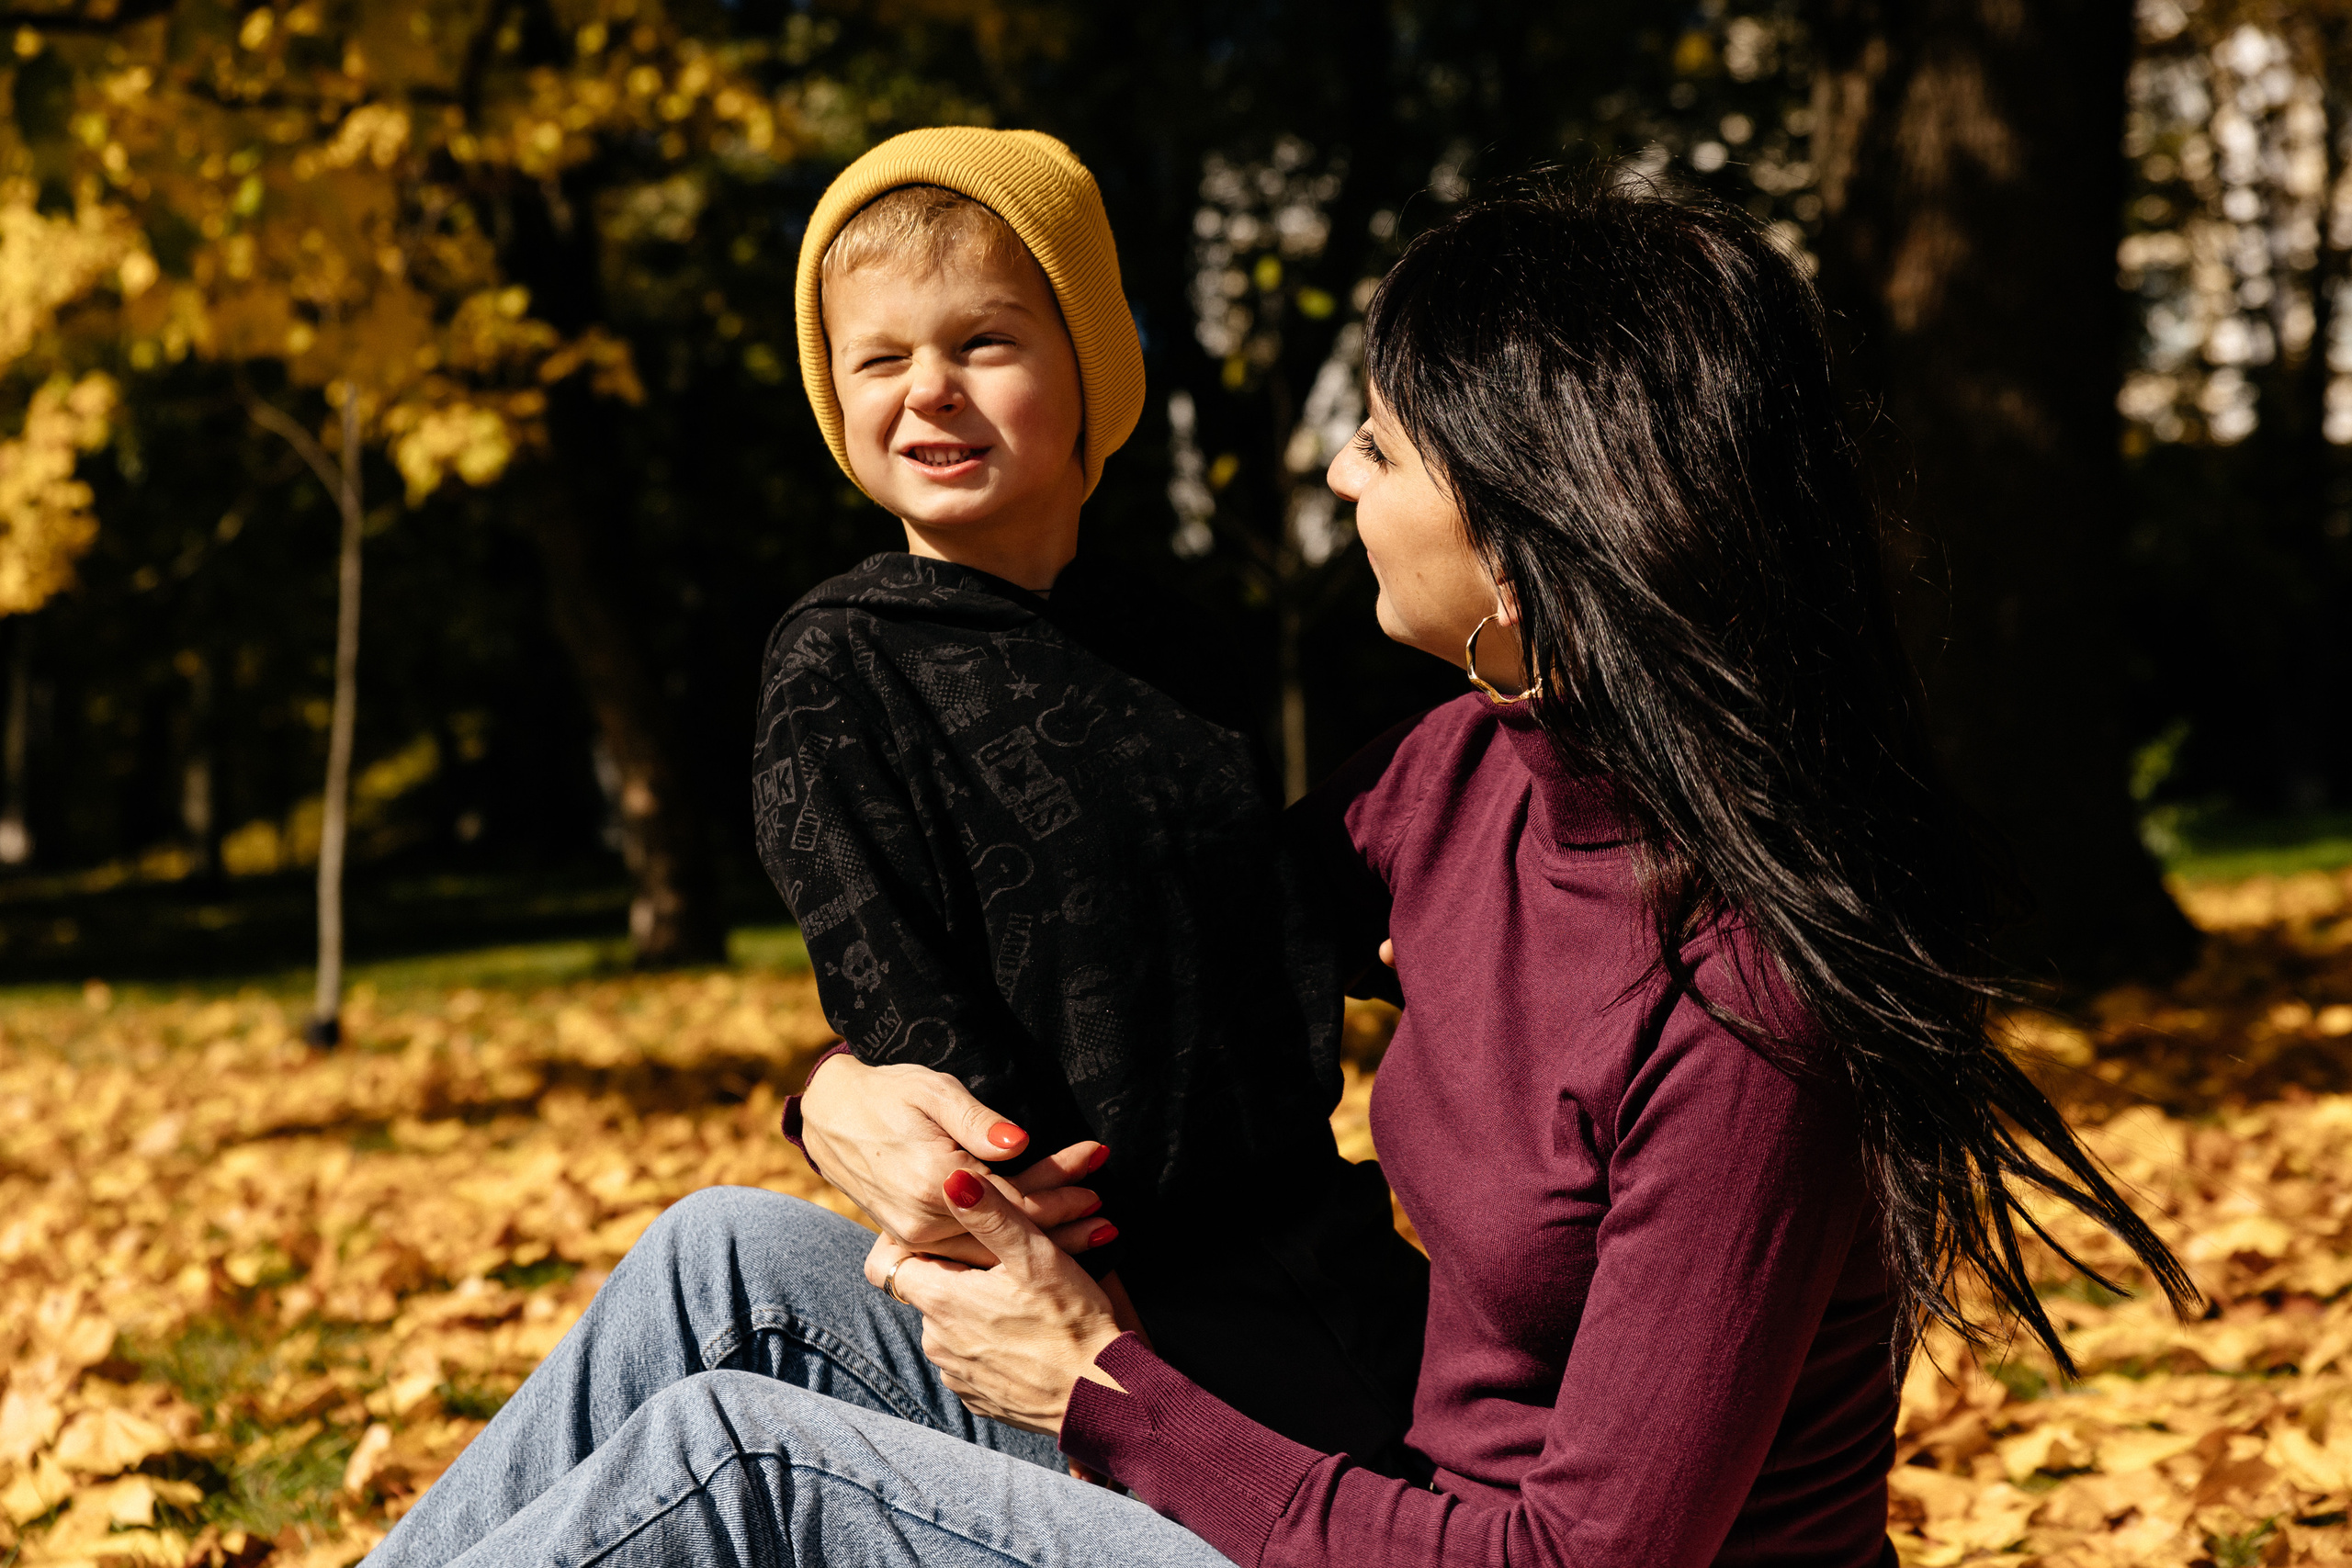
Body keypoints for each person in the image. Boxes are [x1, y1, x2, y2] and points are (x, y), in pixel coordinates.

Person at [363, 173, 2197, 1568]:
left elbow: (1583, 1555)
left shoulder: (1746, 993)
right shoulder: (1471, 776)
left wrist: (1100, 1389)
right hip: (1362, 1473)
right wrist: (834, 1086)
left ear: (1533, 513)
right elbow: (1187, 931)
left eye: (1382, 442)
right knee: (721, 1263)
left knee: (736, 1470)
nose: (1335, 474)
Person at [749, 124, 1426, 1465]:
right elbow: (897, 994)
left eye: (982, 344)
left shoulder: (1176, 644)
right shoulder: (845, 661)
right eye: (878, 360)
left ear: (1090, 369)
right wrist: (1040, 1270)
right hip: (1079, 1281)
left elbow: (1266, 906)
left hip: (1304, 1229)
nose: (927, 391)